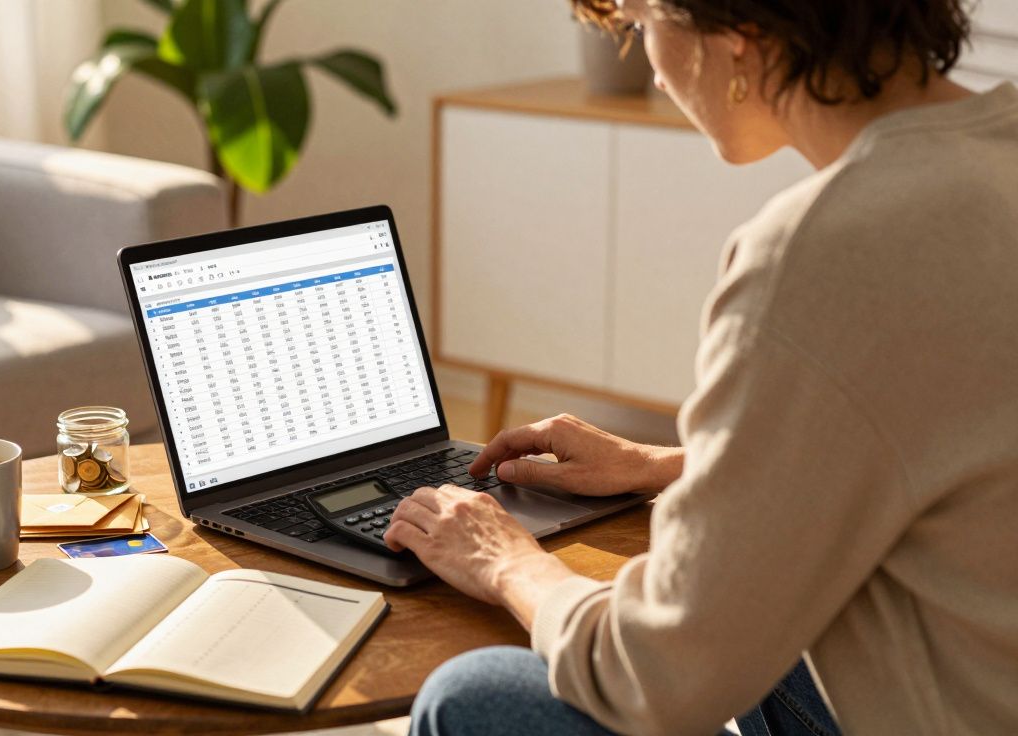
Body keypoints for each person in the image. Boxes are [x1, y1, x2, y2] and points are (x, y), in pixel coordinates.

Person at [386, 1, 1018, 734]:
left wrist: (504, 562)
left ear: (738, 34)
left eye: (641, 25)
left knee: (473, 699)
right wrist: (671, 466)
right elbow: (947, 446)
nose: (649, 63)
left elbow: (655, 677)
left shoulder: (822, 250)